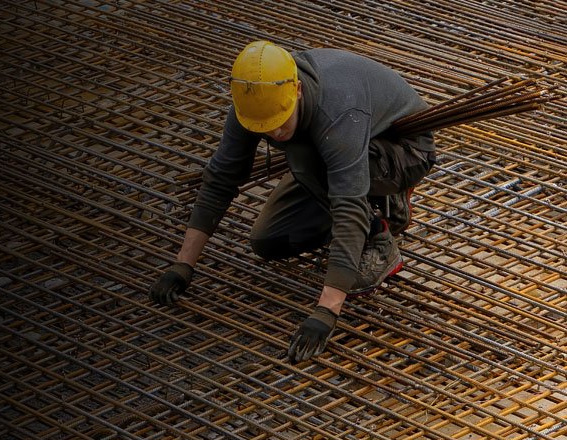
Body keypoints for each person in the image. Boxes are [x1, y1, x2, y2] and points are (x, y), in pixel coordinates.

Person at [149, 40, 436, 363]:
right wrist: (182, 265)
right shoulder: (253, 100)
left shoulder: (337, 108)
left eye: (279, 122)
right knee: (269, 241)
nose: (273, 134)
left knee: (304, 155)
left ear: (297, 90)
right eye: (265, 129)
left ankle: (379, 234)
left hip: (402, 150)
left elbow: (348, 205)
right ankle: (373, 202)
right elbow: (221, 177)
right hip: (332, 154)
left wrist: (326, 311)